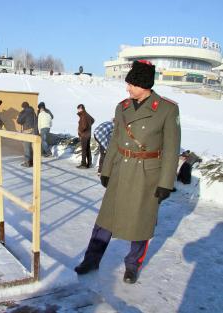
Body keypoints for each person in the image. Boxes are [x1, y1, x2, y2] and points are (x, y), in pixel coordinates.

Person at [74, 60, 181, 284]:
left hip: (147, 176)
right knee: (104, 221)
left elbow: (171, 149)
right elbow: (115, 142)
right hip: (122, 170)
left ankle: (132, 265)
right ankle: (91, 259)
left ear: (143, 84)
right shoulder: (121, 107)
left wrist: (166, 182)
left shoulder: (167, 109)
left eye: (131, 84)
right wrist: (107, 169)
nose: (127, 88)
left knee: (140, 223)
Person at [17, 102, 36, 167]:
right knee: (30, 147)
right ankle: (32, 161)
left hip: (27, 130)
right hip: (33, 130)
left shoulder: (24, 112)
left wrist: (20, 115)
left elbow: (19, 121)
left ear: (23, 107)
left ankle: (27, 163)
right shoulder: (33, 112)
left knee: (26, 147)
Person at [76, 104, 95, 169]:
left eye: (79, 108)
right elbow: (92, 120)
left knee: (84, 149)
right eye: (78, 109)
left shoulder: (83, 115)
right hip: (88, 134)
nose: (78, 110)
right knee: (87, 148)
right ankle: (89, 163)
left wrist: (80, 131)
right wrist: (89, 126)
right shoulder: (86, 114)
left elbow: (84, 126)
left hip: (84, 135)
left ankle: (83, 164)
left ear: (82, 108)